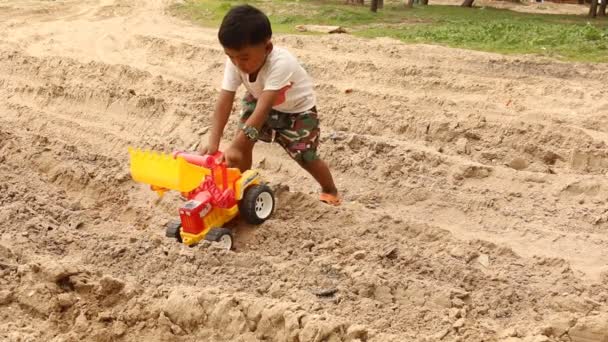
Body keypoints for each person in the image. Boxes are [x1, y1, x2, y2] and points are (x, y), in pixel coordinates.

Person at [199, 4, 341, 206]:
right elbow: (225, 99)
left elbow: (263, 109)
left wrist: (236, 145)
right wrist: (214, 141)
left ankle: (330, 188)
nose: (237, 63)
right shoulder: (235, 62)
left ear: (267, 47)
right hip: (259, 100)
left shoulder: (282, 63)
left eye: (244, 57)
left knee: (304, 155)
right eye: (230, 56)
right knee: (243, 145)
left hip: (296, 112)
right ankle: (242, 187)